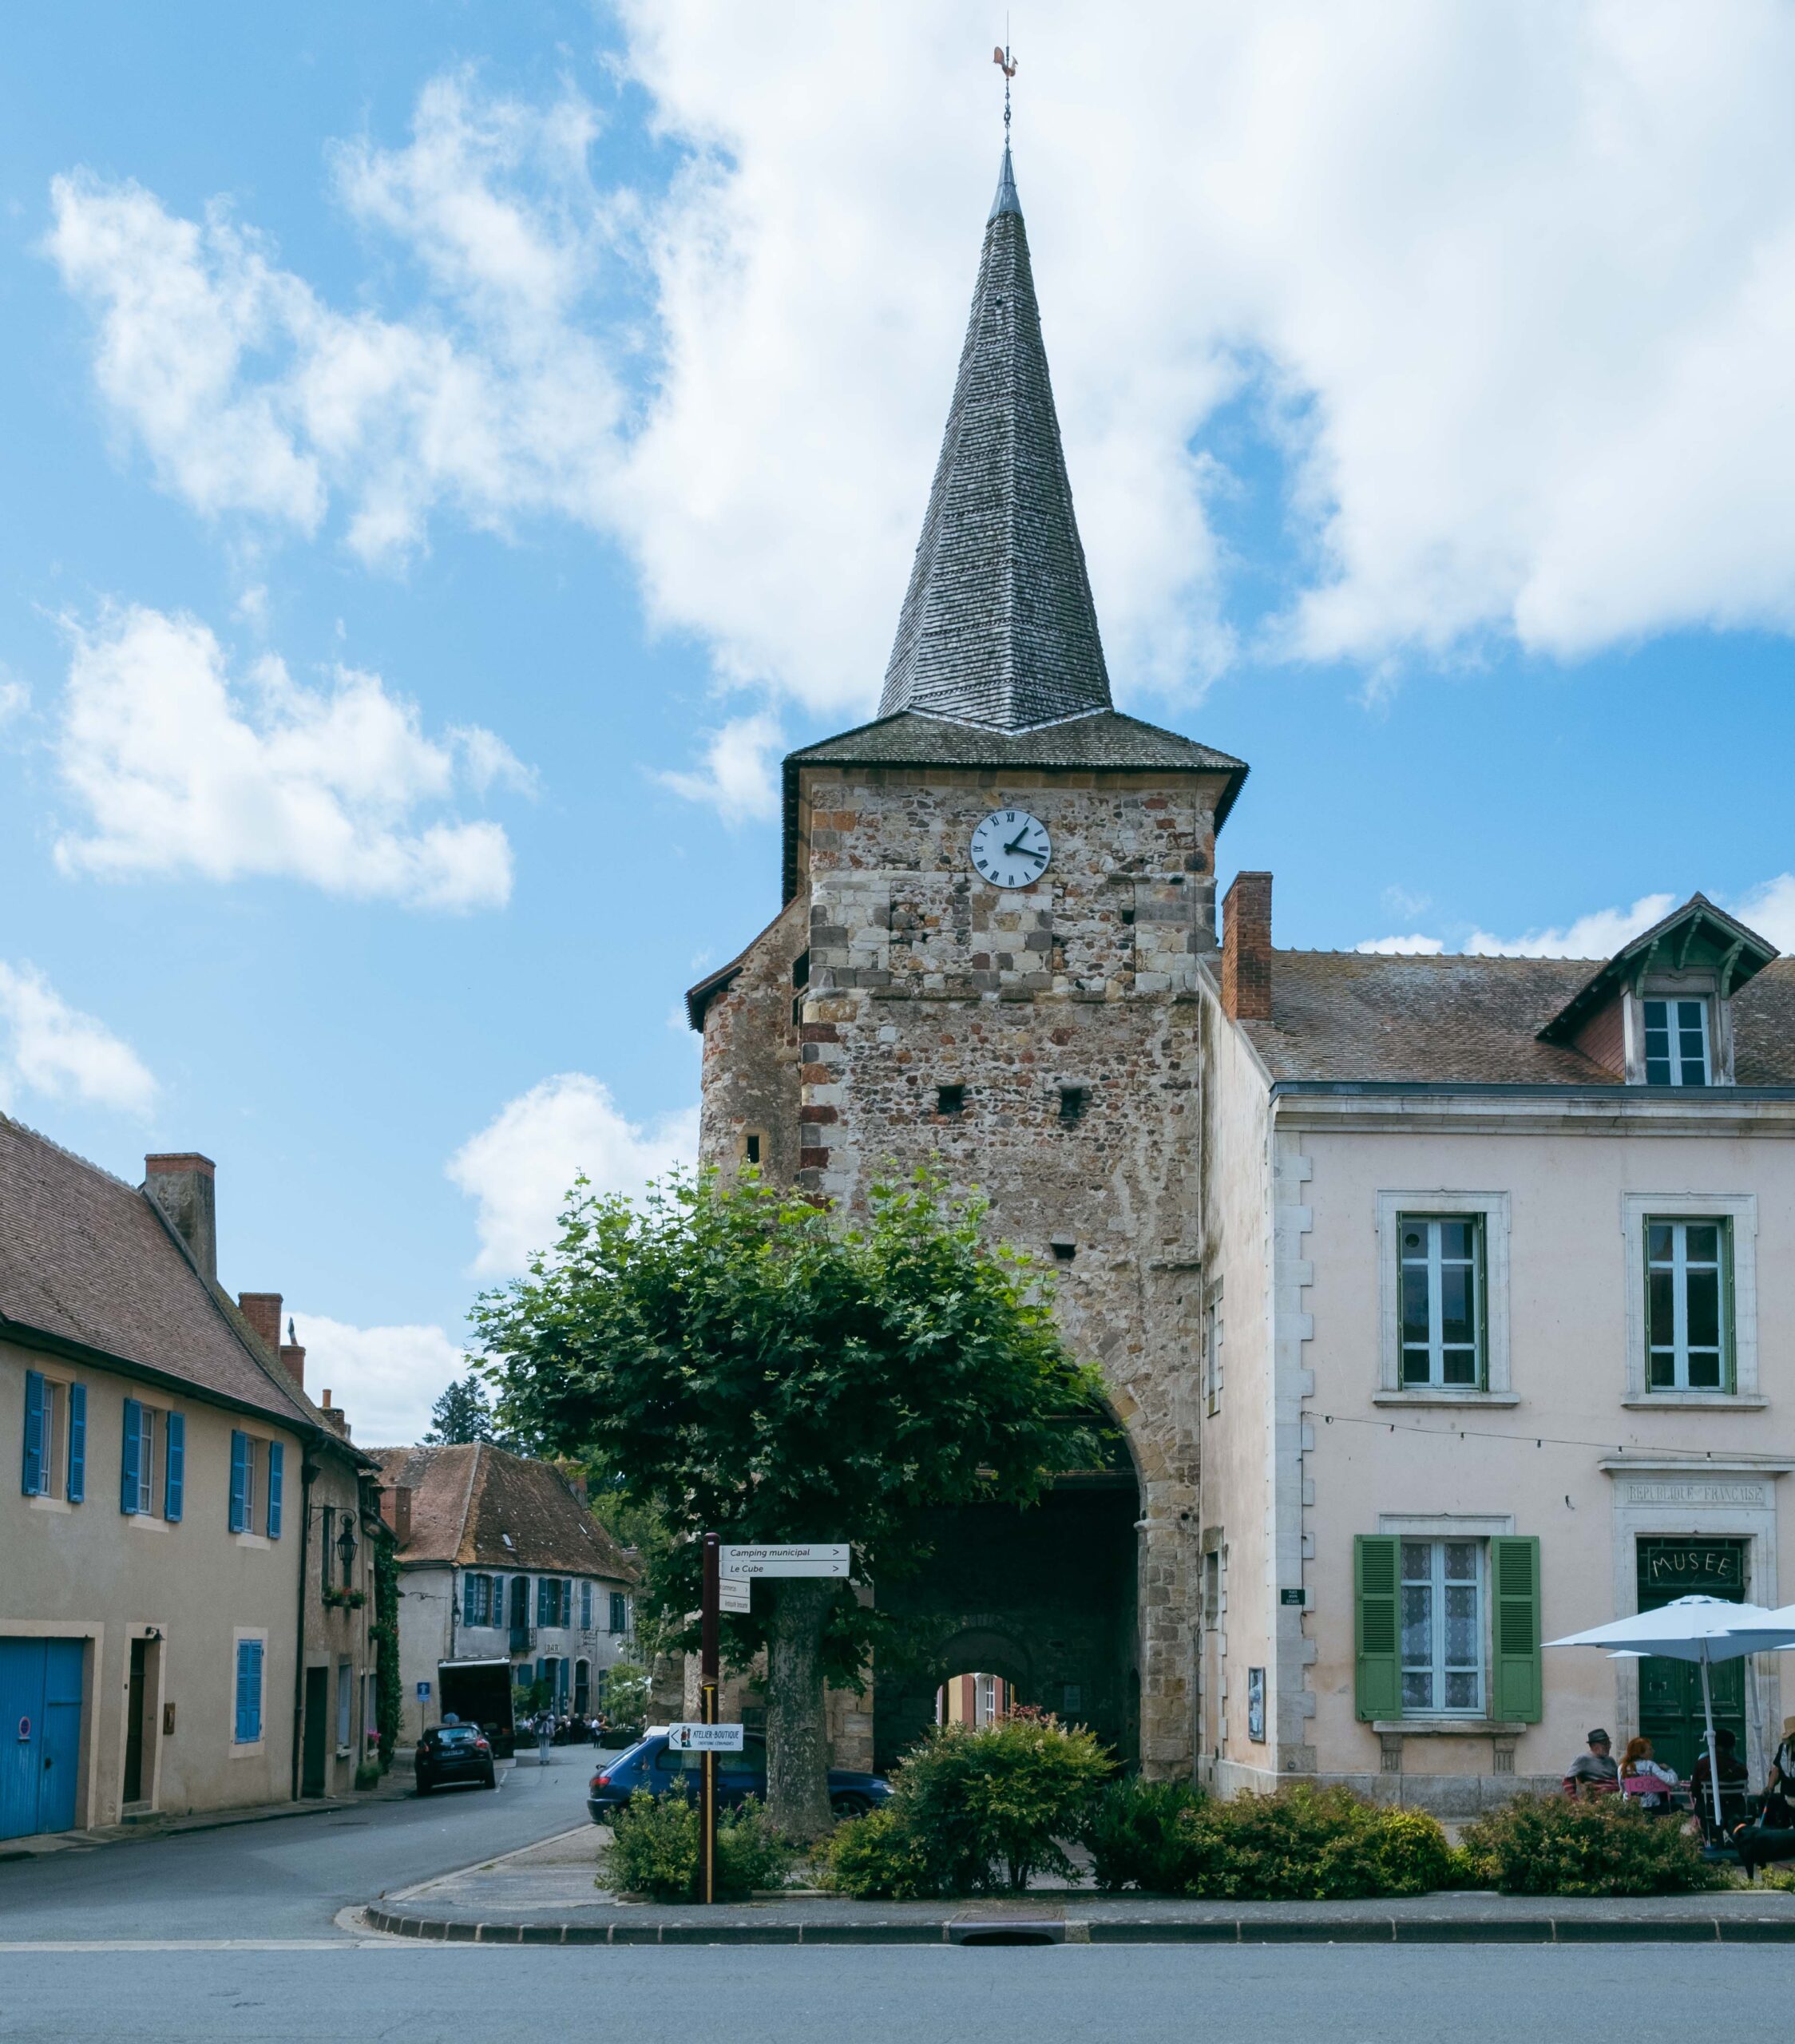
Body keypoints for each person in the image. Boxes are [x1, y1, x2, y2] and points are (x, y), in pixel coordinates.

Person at [1689, 1727, 1750, 1836]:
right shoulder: (1741, 1767)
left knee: (1701, 1806)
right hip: (1735, 1808)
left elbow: (1695, 1790)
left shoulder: (1702, 1764)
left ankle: (1711, 1837)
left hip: (1710, 1810)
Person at [1619, 1735, 1678, 1814]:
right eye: (1650, 1749)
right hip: (1653, 1809)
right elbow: (1673, 1781)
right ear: (1640, 1754)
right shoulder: (1650, 1765)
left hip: (1631, 1809)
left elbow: (1622, 1789)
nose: (1653, 1751)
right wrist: (1669, 1769)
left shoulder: (1621, 1767)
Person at [1563, 1728, 1619, 1796]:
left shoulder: (1611, 1761)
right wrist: (1574, 1800)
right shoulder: (1583, 1759)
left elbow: (1620, 1780)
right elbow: (1567, 1780)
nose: (1609, 1746)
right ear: (1594, 1746)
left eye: (1609, 1743)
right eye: (1606, 1744)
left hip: (1616, 1799)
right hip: (1599, 1802)